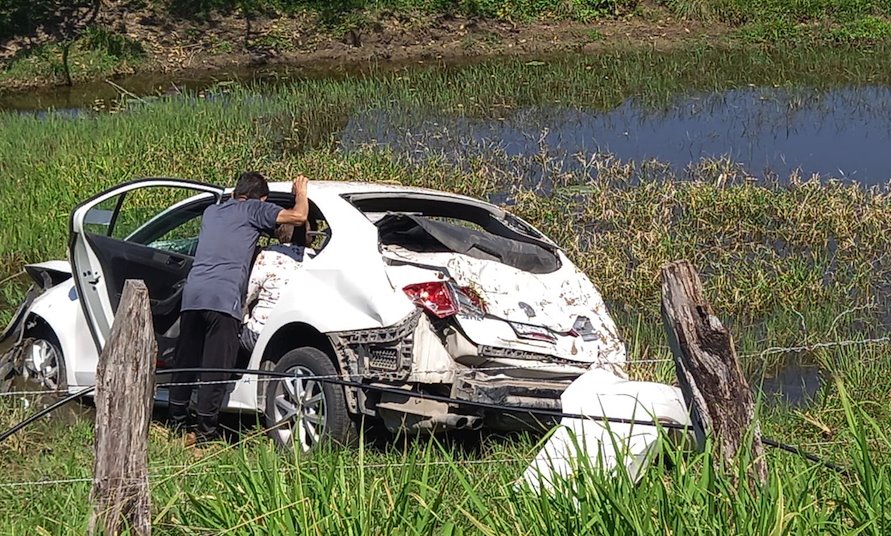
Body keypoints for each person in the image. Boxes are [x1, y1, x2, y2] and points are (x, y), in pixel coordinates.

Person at [168, 171, 310, 444]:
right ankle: (205, 435)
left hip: (193, 296)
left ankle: (176, 425)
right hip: (223, 300)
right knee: (214, 368)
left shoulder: (211, 212)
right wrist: (300, 193)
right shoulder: (254, 209)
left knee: (185, 361)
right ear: (263, 199)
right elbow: (299, 217)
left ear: (234, 193)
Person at [239, 222, 315, 356]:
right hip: (300, 333)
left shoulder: (269, 254)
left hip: (262, 333)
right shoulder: (316, 257)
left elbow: (249, 295)